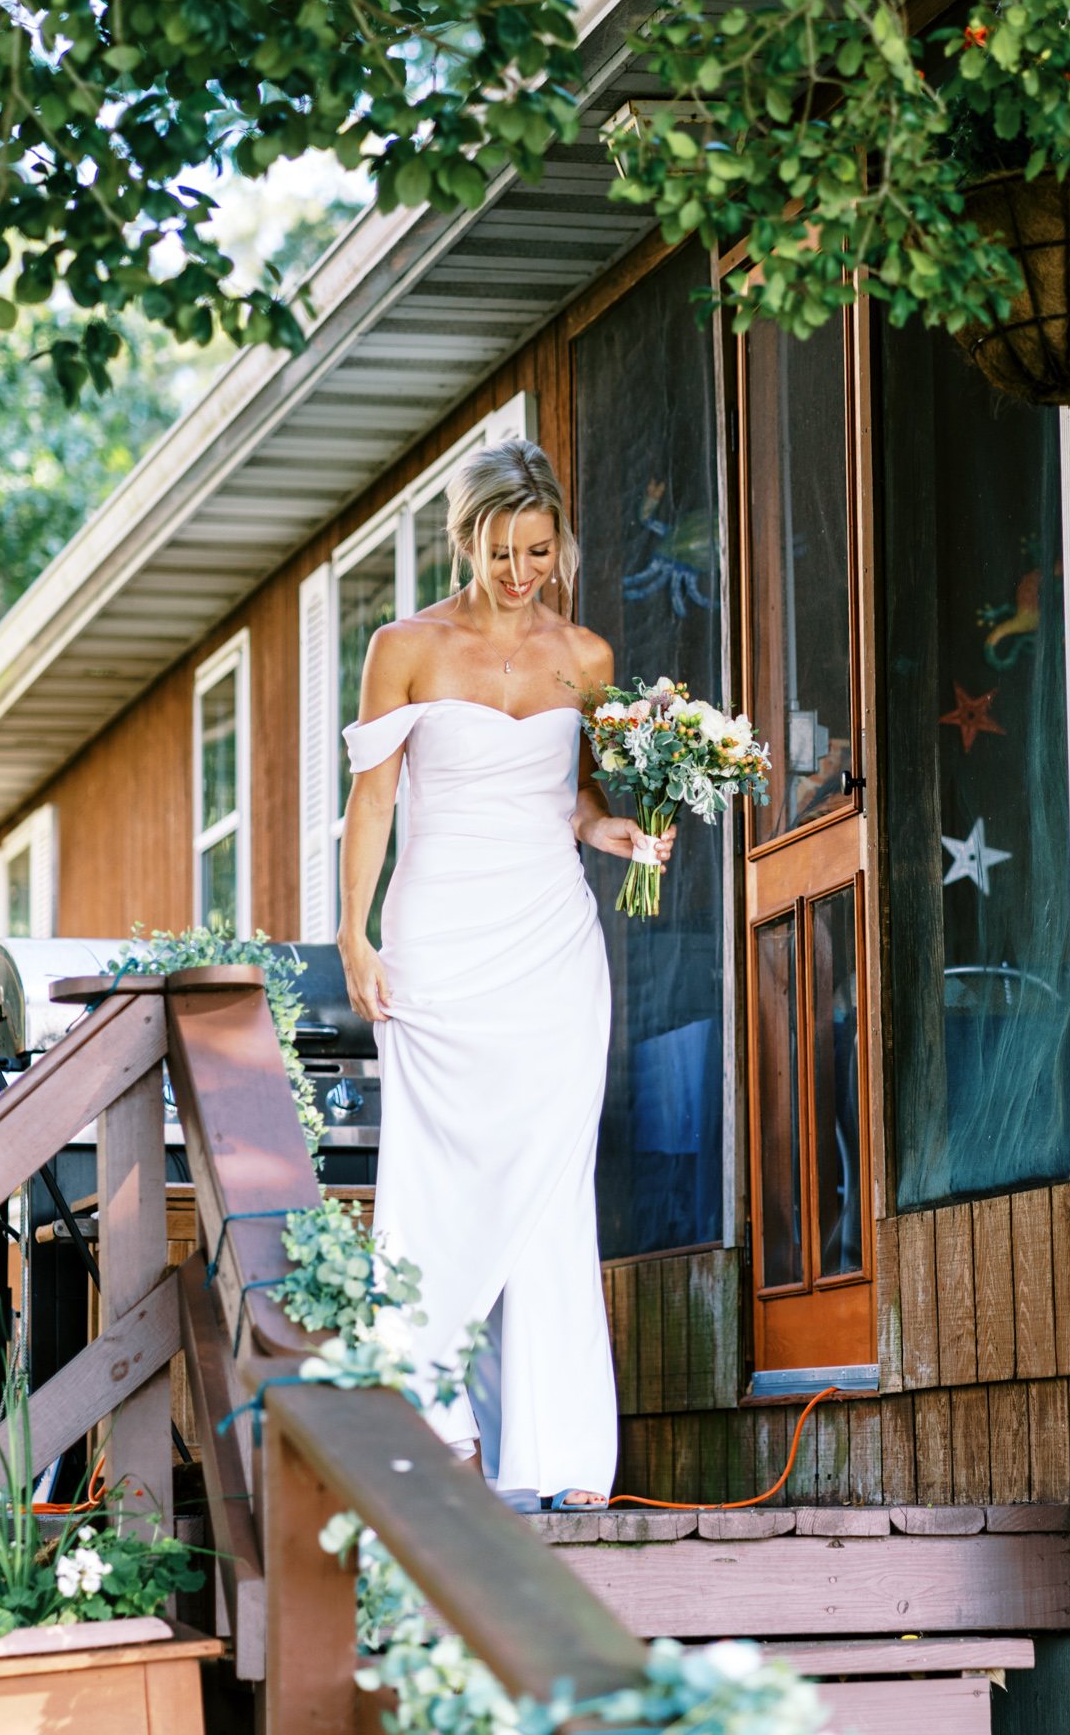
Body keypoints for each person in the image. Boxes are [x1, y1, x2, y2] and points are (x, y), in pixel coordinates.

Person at [336, 438, 672, 1511]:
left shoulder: (588, 654)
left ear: (559, 541)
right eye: (500, 551)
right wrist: (354, 935)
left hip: (552, 945)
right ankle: (426, 1429)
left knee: (552, 1183)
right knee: (438, 1181)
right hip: (439, 940)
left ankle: (559, 1456)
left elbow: (575, 797)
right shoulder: (405, 647)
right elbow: (373, 803)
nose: (521, 572)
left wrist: (615, 831)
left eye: (538, 550)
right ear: (465, 541)